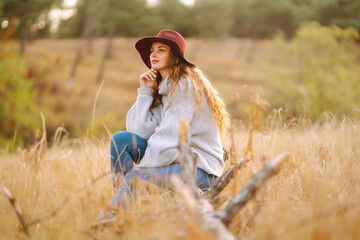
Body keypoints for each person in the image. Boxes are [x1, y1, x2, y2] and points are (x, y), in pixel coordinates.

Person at [97, 29, 229, 220]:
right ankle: (122, 208)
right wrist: (144, 93)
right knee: (121, 140)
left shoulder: (184, 86)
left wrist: (140, 172)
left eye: (161, 50)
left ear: (174, 56)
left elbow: (170, 140)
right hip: (176, 161)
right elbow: (139, 132)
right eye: (152, 50)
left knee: (135, 178)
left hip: (201, 170)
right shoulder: (164, 90)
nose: (153, 54)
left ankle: (106, 223)